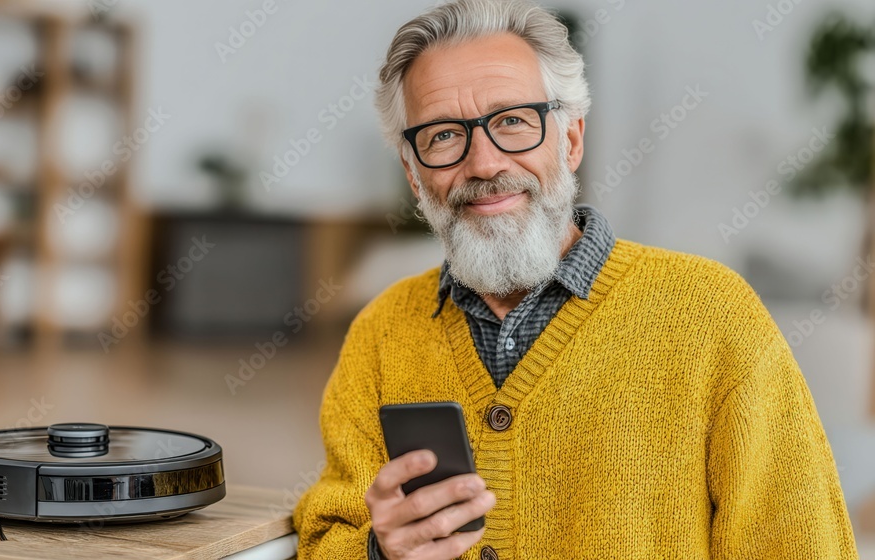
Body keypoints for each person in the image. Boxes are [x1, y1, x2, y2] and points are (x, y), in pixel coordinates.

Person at [292, 0, 860, 558]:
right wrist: (378, 551)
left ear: (570, 140)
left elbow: (801, 543)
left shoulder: (714, 315)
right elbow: (324, 536)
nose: (485, 163)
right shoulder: (380, 334)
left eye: (513, 121)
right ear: (414, 176)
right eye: (442, 136)